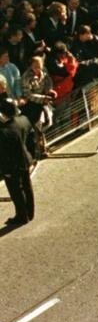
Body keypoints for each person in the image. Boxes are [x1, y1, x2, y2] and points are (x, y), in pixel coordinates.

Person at [0, 97, 35, 227]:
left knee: (16, 191)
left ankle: (22, 216)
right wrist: (32, 154)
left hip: (11, 165)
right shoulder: (24, 120)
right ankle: (30, 213)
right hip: (25, 158)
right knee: (27, 186)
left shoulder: (3, 130)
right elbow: (32, 137)